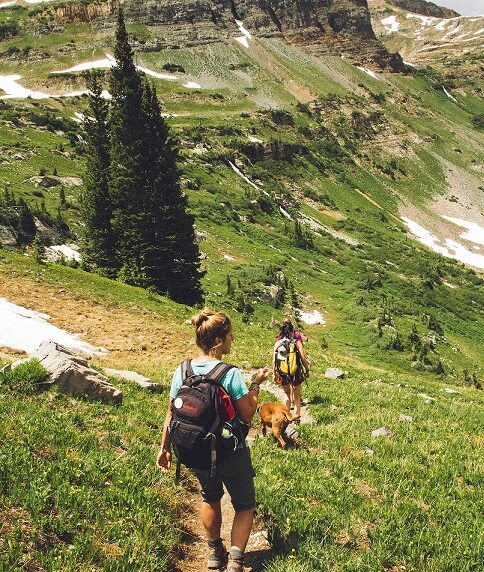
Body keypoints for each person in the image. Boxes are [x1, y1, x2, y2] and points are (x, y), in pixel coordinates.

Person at [156, 309, 270, 572]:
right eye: (230, 336)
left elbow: (171, 413)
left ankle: (214, 554)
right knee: (244, 505)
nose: (233, 340)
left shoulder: (182, 371)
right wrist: (255, 385)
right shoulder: (228, 373)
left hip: (196, 449)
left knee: (210, 497)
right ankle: (235, 562)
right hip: (230, 450)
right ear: (219, 341)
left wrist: (165, 448)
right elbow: (247, 413)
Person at [273, 319, 310, 418]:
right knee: (297, 396)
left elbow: (274, 361)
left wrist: (274, 374)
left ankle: (286, 416)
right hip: (296, 372)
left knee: (286, 394)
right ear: (292, 327)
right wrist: (307, 369)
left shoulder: (278, 341)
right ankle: (297, 416)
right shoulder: (296, 341)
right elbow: (302, 357)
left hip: (283, 372)